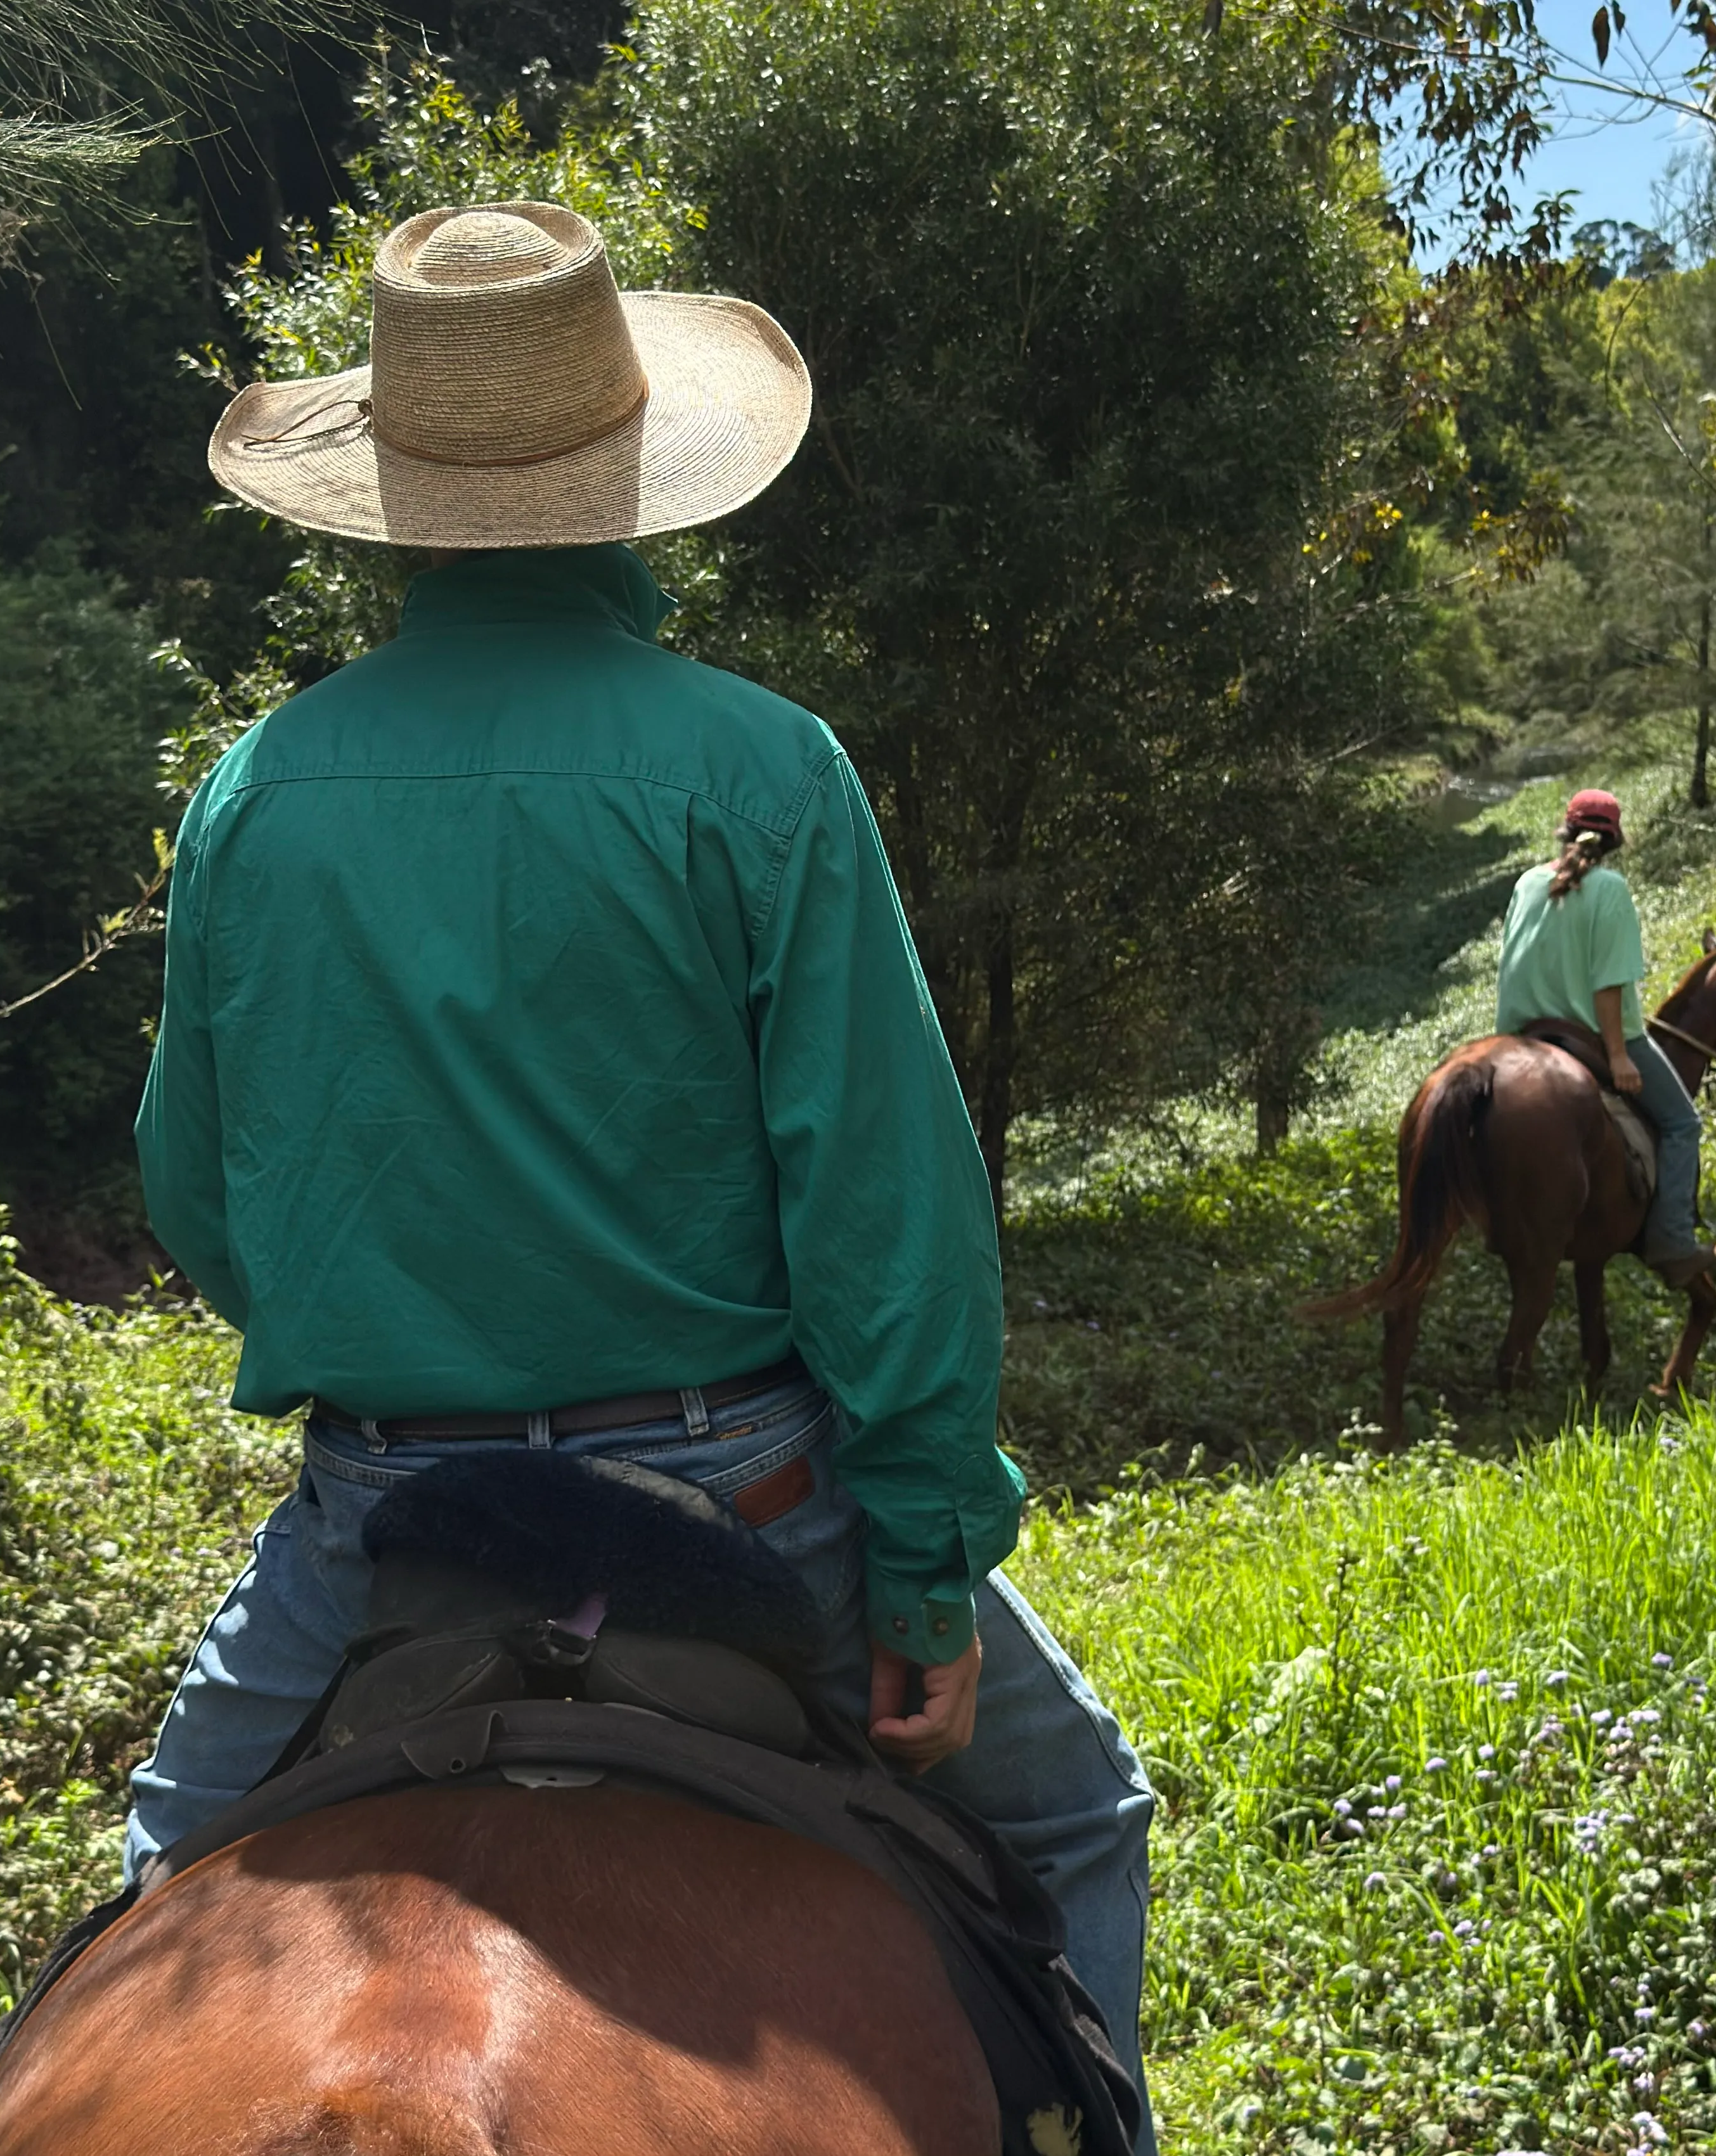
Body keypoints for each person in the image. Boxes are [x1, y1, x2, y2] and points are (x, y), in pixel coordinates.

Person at [124, 200, 1158, 2102]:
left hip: (382, 1518)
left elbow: (196, 1191)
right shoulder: (761, 773)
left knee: (141, 1896)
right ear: (633, 484)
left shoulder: (254, 792)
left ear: (392, 501)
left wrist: (402, 1318)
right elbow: (888, 1216)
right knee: (1086, 1818)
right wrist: (921, 1569)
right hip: (748, 1491)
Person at [1491, 788, 1713, 1285]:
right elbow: (1609, 983)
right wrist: (1618, 1057)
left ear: (1566, 832)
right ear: (1615, 842)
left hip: (1522, 1036)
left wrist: (1503, 1040)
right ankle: (1673, 1240)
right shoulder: (1610, 889)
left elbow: (1508, 965)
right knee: (1682, 1125)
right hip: (1592, 1037)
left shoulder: (1528, 882)